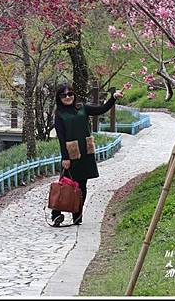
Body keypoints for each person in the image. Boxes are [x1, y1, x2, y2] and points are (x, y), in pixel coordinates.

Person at [51, 82, 124, 226]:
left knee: (82, 185)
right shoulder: (59, 114)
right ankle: (56, 214)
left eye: (70, 94)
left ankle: (77, 215)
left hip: (85, 152)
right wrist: (65, 157)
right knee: (64, 184)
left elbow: (101, 109)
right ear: (59, 98)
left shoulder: (82, 108)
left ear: (74, 95)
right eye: (64, 95)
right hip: (71, 155)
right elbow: (61, 137)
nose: (67, 97)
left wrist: (113, 98)